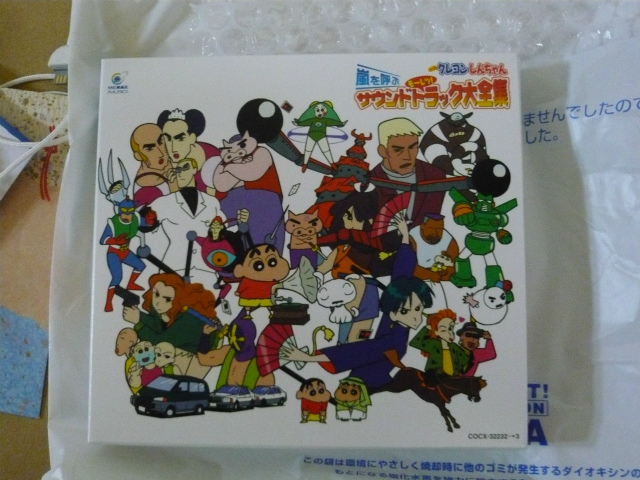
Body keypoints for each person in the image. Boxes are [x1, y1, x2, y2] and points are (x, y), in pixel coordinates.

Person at [121, 273, 216, 378]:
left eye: (167, 299)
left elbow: (161, 343)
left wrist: (138, 323)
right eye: (156, 294)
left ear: (178, 300)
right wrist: (139, 315)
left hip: (186, 364)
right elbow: (157, 327)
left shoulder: (189, 320)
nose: (158, 302)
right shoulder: (164, 311)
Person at [371, 117, 447, 228]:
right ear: (383, 151)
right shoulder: (369, 182)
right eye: (398, 150)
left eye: (412, 147)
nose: (407, 157)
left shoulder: (435, 176)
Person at [130, 123, 175, 206]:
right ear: (138, 155)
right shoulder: (147, 190)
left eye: (161, 142)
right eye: (150, 148)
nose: (160, 153)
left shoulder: (169, 164)